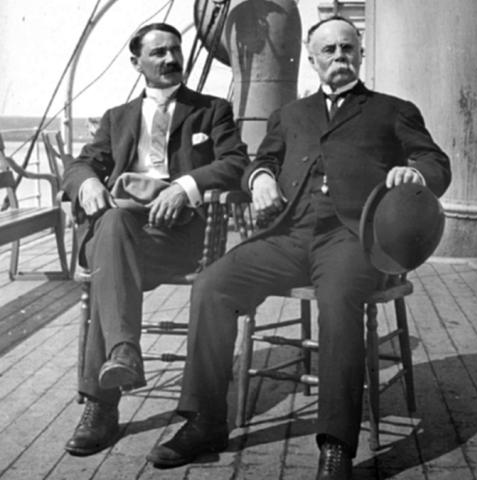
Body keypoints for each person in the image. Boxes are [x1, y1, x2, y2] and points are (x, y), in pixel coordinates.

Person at [147, 16, 452, 480]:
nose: (339, 58)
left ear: (361, 54)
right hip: (289, 235)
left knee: (338, 302)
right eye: (328, 51)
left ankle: (335, 445)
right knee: (212, 285)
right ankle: (205, 422)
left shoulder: (393, 109)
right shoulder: (290, 115)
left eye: (347, 49)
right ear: (311, 60)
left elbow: (434, 161)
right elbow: (262, 159)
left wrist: (416, 175)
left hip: (353, 237)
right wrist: (262, 177)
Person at [62, 22, 248, 456]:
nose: (170, 59)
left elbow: (236, 162)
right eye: (159, 52)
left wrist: (184, 187)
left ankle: (101, 407)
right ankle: (122, 354)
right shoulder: (117, 118)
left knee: (109, 266)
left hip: (177, 237)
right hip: (123, 232)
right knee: (110, 226)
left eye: (175, 50)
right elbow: (81, 164)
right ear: (137, 63)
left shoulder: (211, 110)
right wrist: (86, 182)